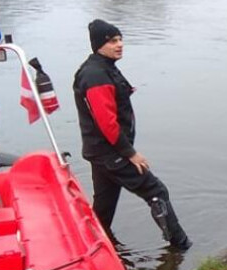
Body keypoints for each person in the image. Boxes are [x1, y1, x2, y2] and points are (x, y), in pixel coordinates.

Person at [73, 19, 191, 250]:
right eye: (112, 41)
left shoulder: (103, 68)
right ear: (99, 45)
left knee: (104, 206)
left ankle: (93, 247)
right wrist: (130, 153)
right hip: (110, 153)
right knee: (156, 190)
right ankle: (180, 246)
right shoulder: (96, 75)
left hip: (101, 152)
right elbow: (107, 123)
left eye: (120, 39)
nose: (119, 45)